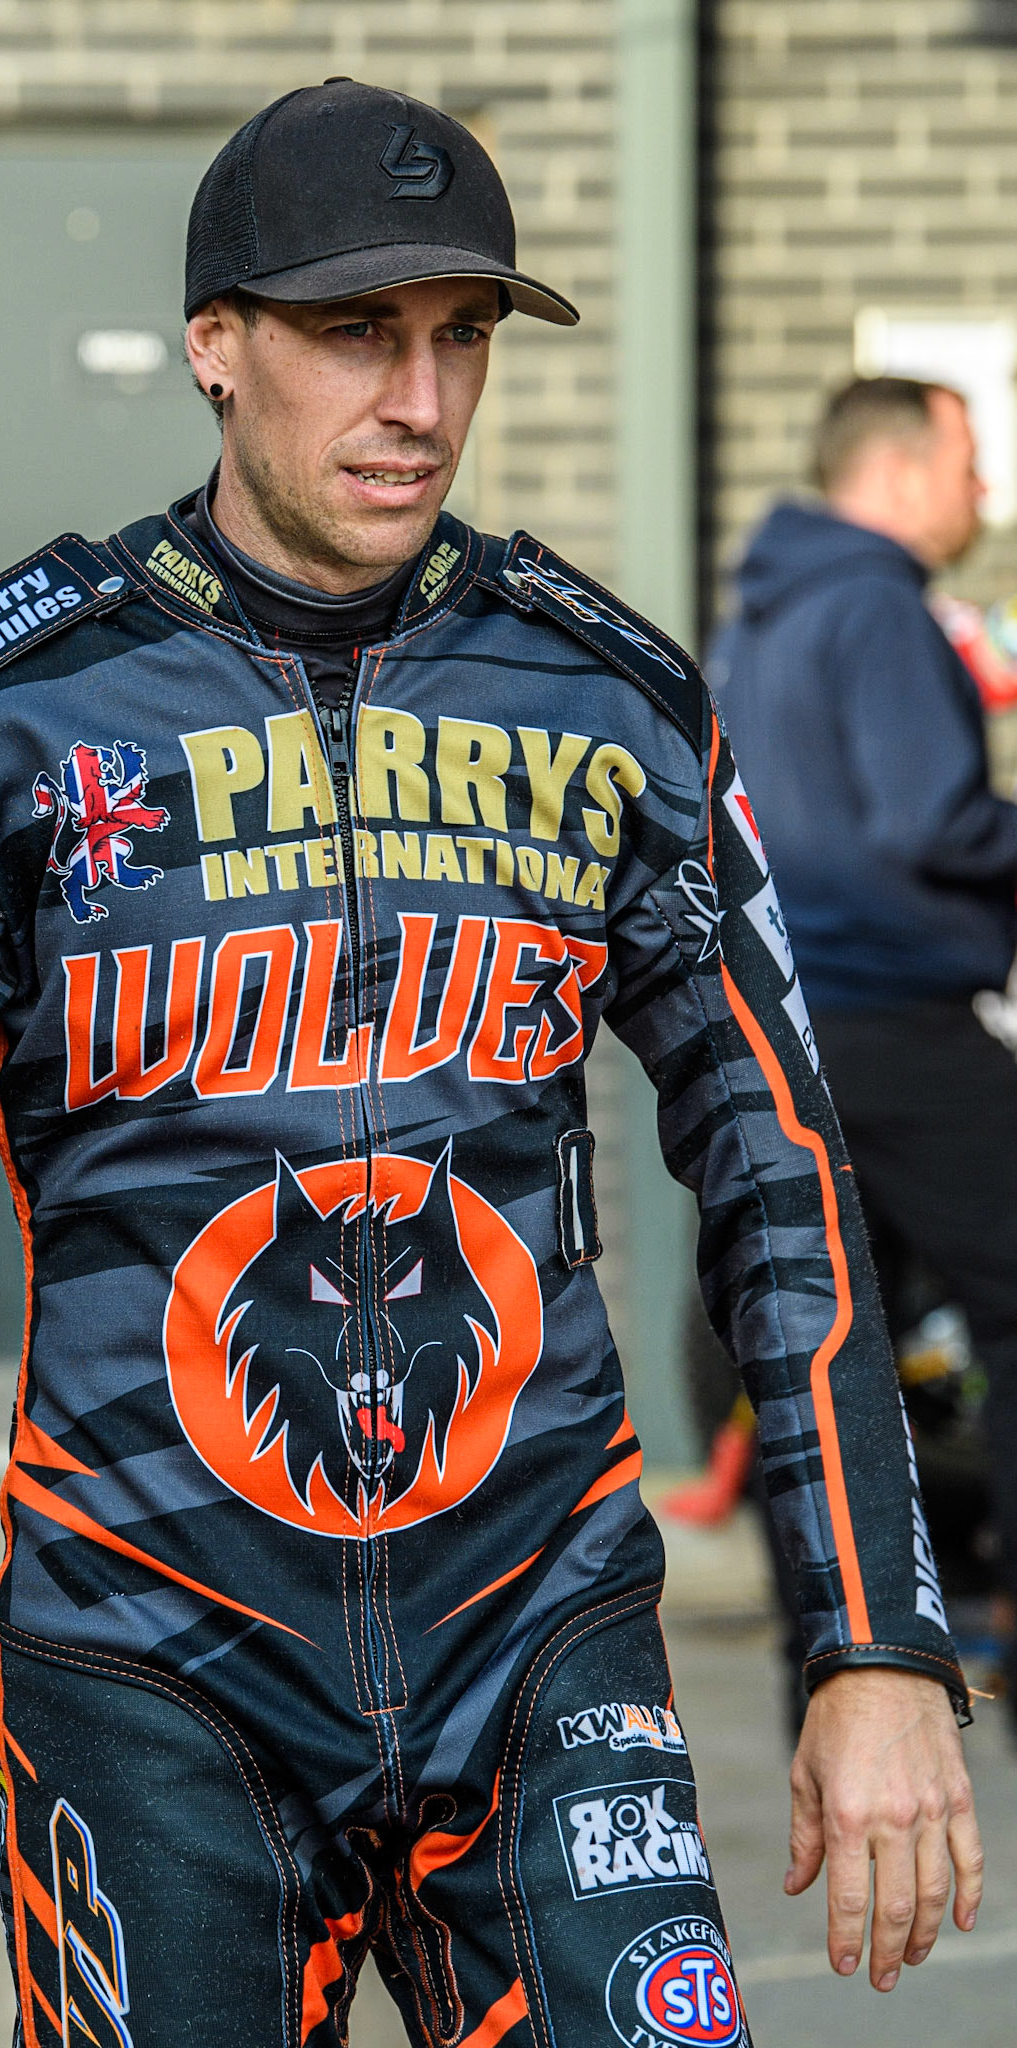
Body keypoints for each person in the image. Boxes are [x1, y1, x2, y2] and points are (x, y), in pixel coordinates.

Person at [0, 85, 980, 2047]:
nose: (420, 400)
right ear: (214, 346)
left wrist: (870, 1641)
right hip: (149, 1659)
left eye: (460, 334)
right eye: (355, 332)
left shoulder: (606, 698)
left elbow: (774, 1166)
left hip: (540, 1632)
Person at [710, 374, 1017, 1725]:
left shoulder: (761, 608)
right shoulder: (879, 604)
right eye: (968, 464)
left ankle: (834, 1671)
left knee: (832, 1351)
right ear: (895, 474)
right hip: (900, 1024)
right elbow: (929, 824)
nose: (984, 495)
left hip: (796, 1031)